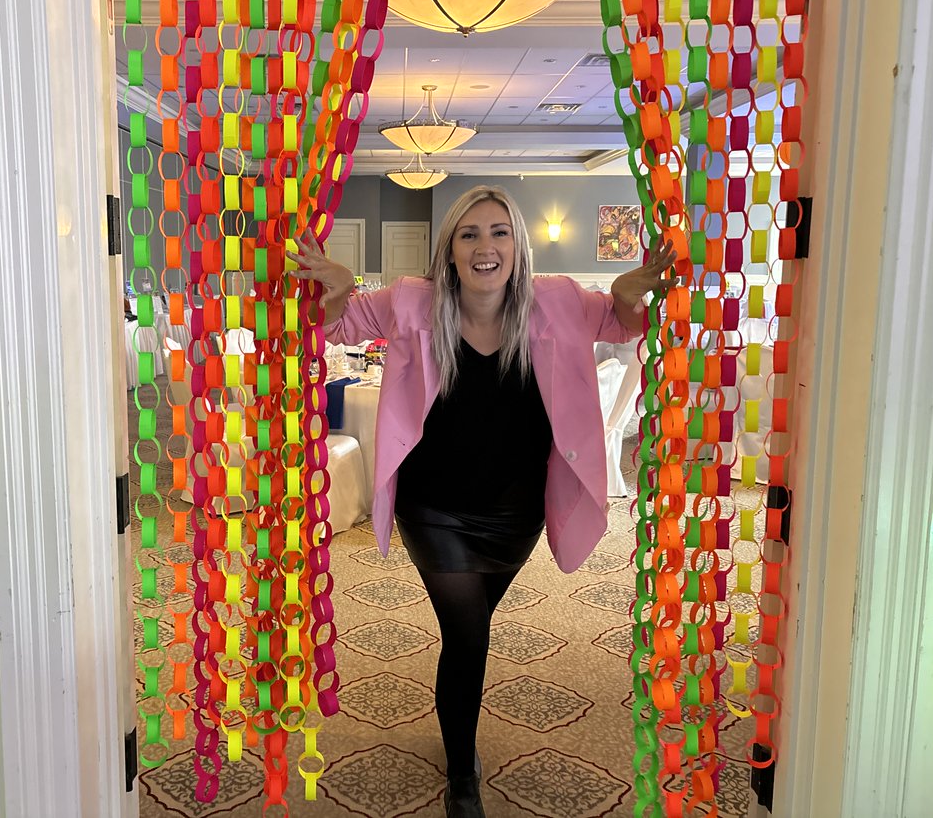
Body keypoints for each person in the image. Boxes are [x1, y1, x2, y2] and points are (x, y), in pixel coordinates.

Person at [289, 186, 675, 818]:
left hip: (516, 512)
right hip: (432, 507)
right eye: (469, 234)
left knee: (471, 629)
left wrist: (628, 294)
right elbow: (332, 326)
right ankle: (462, 776)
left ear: (518, 247)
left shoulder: (557, 299)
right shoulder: (412, 301)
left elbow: (620, 322)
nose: (484, 246)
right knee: (467, 637)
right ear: (450, 250)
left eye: (499, 232)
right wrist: (337, 289)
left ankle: (459, 738)